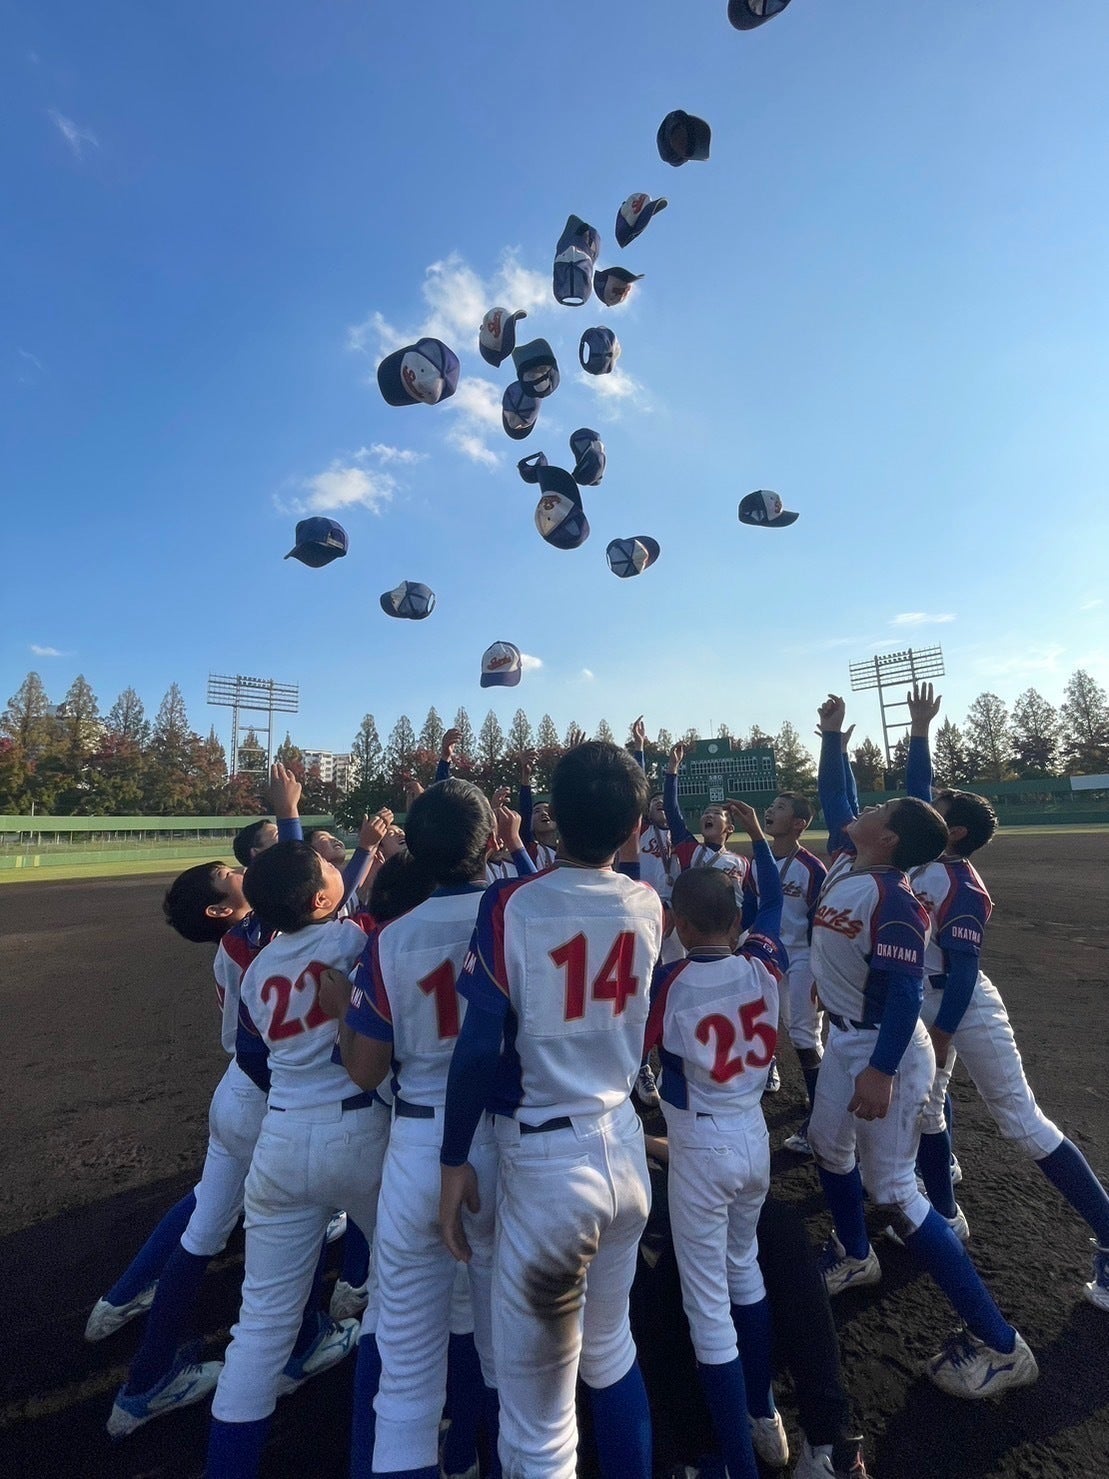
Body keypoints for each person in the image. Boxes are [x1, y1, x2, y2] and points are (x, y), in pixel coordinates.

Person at [439, 741, 663, 1479]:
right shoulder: (647, 901)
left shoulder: (512, 901)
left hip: (547, 1165)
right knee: (612, 1352)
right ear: (635, 826)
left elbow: (478, 1047)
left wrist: (451, 1159)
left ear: (551, 818)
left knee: (538, 1434)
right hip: (622, 1142)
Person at [810, 694, 1038, 1399]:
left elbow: (907, 993)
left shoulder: (897, 899)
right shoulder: (851, 865)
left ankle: (1000, 1344)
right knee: (826, 1147)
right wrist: (830, 737)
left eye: (879, 810)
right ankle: (855, 1254)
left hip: (884, 1049)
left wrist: (880, 1071)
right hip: (846, 1039)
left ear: (886, 840)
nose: (866, 809)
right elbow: (836, 796)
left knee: (895, 1191)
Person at [905, 696, 1109, 1310]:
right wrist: (920, 732)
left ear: (956, 832)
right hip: (925, 1001)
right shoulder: (922, 859)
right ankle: (945, 1213)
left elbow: (964, 972)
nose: (928, 810)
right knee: (926, 1111)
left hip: (963, 1007)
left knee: (1020, 1120)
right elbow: (918, 791)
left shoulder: (964, 885)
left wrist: (942, 1033)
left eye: (940, 812)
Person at [327, 779, 503, 1479]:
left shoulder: (391, 938)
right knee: (508, 1349)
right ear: (491, 843)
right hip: (512, 1138)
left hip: (421, 1141)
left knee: (404, 1370)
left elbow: (365, 1070)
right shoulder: (521, 911)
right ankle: (471, 1455)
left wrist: (344, 1012)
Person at [204, 840, 387, 1478]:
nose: (340, 871)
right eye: (331, 869)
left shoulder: (257, 970)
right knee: (403, 1295)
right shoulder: (352, 939)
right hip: (358, 1130)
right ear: (318, 899)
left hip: (281, 1136)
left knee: (258, 1332)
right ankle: (387, 1448)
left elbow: (255, 1053)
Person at [643, 803, 788, 1478]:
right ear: (735, 922)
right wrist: (758, 839)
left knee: (707, 1311)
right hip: (753, 1135)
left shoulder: (671, 981)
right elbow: (773, 908)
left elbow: (634, 1052)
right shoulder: (762, 964)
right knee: (744, 1272)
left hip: (700, 1144)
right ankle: (763, 1412)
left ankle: (735, 1461)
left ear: (678, 924)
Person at [742, 791, 827, 1155]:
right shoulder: (756, 863)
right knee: (755, 1028)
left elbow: (820, 926)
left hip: (802, 960)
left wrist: (822, 974)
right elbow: (748, 910)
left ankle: (822, 1118)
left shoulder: (812, 868)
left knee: (805, 1038)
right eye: (771, 806)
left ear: (798, 823)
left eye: (780, 808)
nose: (770, 810)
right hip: (765, 958)